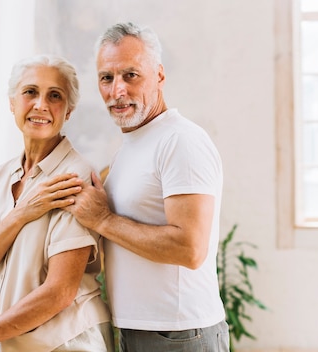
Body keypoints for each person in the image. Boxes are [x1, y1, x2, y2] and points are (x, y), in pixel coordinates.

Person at [65, 22, 229, 351]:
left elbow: (190, 248)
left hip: (179, 334)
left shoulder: (181, 140)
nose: (117, 90)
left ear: (159, 76)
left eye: (131, 75)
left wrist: (103, 220)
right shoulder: (133, 146)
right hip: (139, 330)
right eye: (106, 78)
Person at [0, 54, 113, 352]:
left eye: (55, 96)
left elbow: (60, 291)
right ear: (12, 102)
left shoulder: (75, 180)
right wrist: (20, 215)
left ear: (68, 111)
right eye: (30, 92)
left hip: (64, 345)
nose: (41, 104)